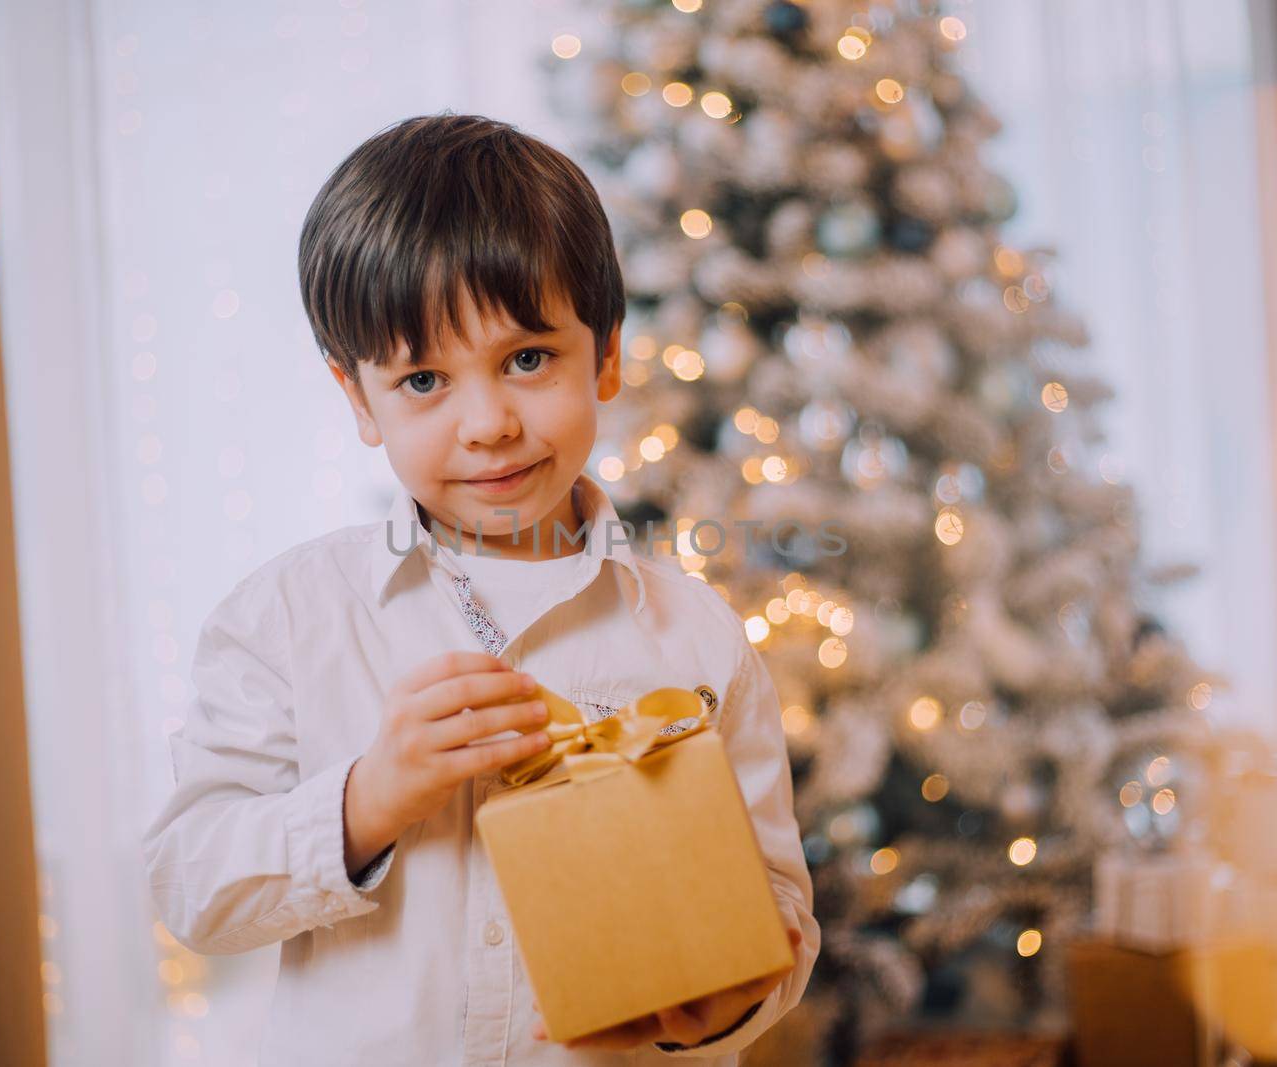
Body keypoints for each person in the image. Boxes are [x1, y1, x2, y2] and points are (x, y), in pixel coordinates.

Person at [142, 112, 819, 1065]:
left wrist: (725, 1001)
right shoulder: (287, 619)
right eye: (424, 380)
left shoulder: (696, 636)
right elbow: (191, 887)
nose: (490, 422)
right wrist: (366, 798)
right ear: (357, 398)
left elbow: (780, 904)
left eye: (528, 360)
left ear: (608, 356)